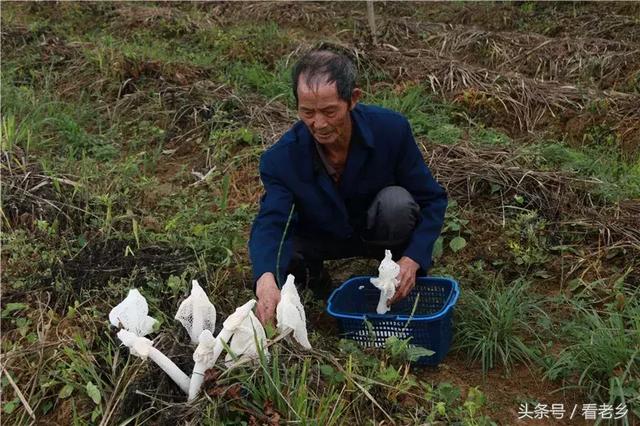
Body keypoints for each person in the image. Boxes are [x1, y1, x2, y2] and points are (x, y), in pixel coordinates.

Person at [249, 48, 448, 325]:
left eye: (330, 111)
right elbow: (271, 222)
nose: (318, 124)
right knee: (285, 247)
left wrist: (414, 257)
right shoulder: (281, 159)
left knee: (397, 203)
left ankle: (397, 273)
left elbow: (432, 199)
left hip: (378, 229)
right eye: (307, 112)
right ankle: (315, 280)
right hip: (323, 235)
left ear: (353, 99)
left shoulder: (390, 131)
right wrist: (265, 280)